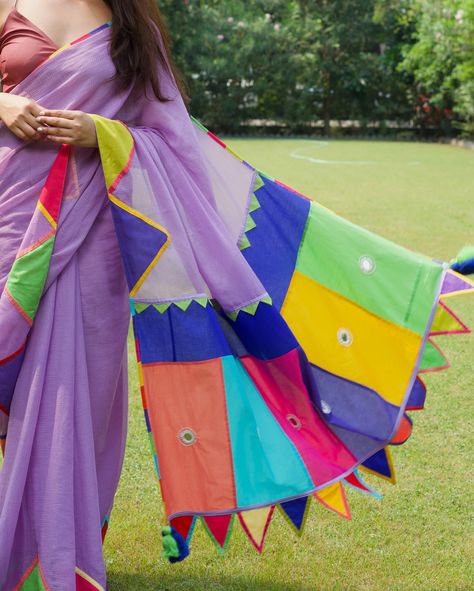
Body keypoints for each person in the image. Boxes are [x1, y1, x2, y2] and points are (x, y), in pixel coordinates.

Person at [0, 1, 471, 589]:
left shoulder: (130, 24)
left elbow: (174, 139)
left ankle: (52, 551)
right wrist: (5, 101)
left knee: (77, 392)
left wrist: (103, 133)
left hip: (89, 233)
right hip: (9, 212)